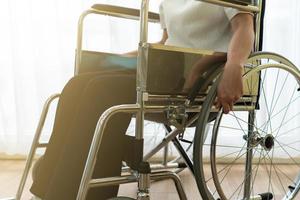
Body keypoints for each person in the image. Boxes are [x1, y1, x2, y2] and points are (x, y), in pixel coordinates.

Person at [30, 0, 254, 199]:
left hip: (200, 78)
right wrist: (115, 61)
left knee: (101, 90)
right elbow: (166, 42)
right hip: (169, 71)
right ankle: (46, 189)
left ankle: (69, 193)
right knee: (77, 84)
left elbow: (244, 26)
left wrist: (234, 66)